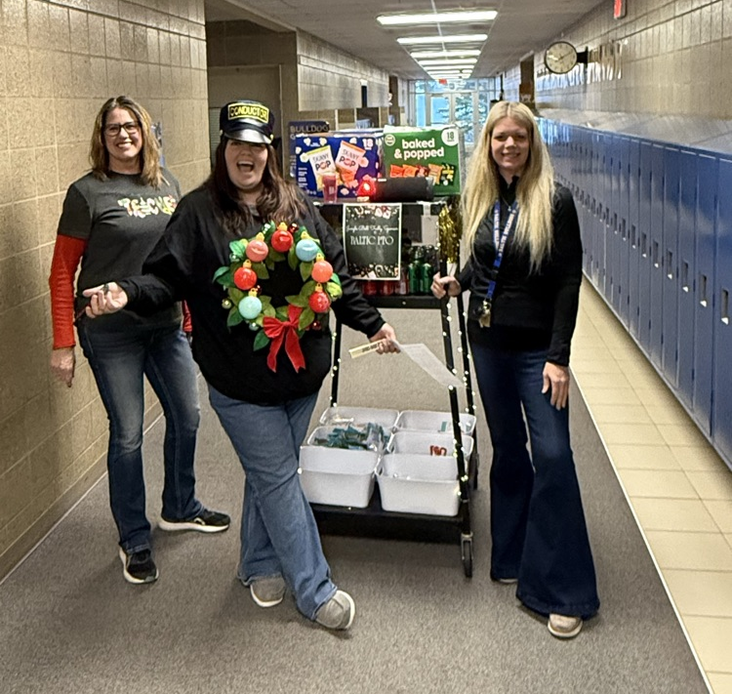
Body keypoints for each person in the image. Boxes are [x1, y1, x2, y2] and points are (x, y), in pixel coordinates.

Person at [83, 99, 398, 631]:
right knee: (278, 476)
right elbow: (165, 279)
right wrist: (126, 293)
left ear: (268, 152)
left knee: (265, 471)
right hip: (239, 381)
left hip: (302, 377)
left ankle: (256, 561)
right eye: (237, 145)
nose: (246, 154)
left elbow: (332, 273)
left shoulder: (295, 205)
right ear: (223, 150)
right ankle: (315, 589)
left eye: (256, 145)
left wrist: (372, 323)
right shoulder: (197, 211)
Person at [432, 101, 599, 639]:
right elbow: (483, 262)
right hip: (489, 345)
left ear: (532, 144)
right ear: (488, 144)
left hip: (536, 353)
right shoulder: (480, 197)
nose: (508, 146)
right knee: (507, 448)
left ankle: (563, 589)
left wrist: (559, 357)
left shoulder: (554, 201)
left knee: (553, 453)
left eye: (518, 138)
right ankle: (512, 553)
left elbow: (568, 283)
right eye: (499, 138)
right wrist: (457, 282)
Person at [49, 96, 230, 587]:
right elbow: (62, 271)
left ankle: (179, 505)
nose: (123, 135)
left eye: (131, 126)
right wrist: (63, 342)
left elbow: (180, 261)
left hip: (164, 323)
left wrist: (188, 316)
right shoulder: (86, 193)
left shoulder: (165, 183)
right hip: (110, 333)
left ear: (145, 132)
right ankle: (133, 536)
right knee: (128, 432)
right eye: (113, 128)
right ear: (101, 137)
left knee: (187, 416)